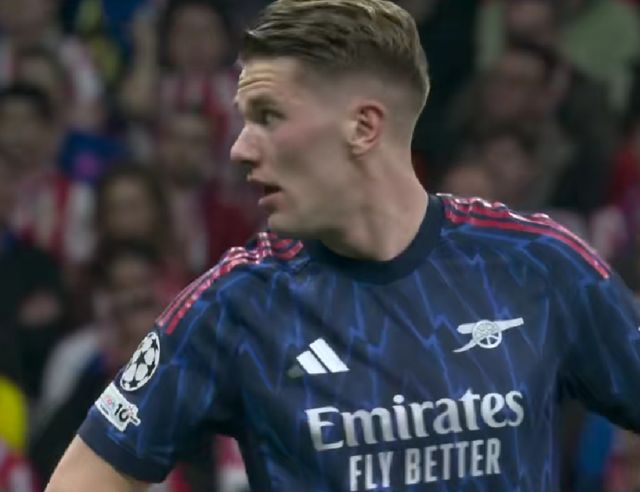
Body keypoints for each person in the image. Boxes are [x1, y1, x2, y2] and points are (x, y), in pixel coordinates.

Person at [47, 0, 640, 491]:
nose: (240, 148)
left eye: (269, 116)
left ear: (363, 127)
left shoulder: (537, 263)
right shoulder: (233, 305)